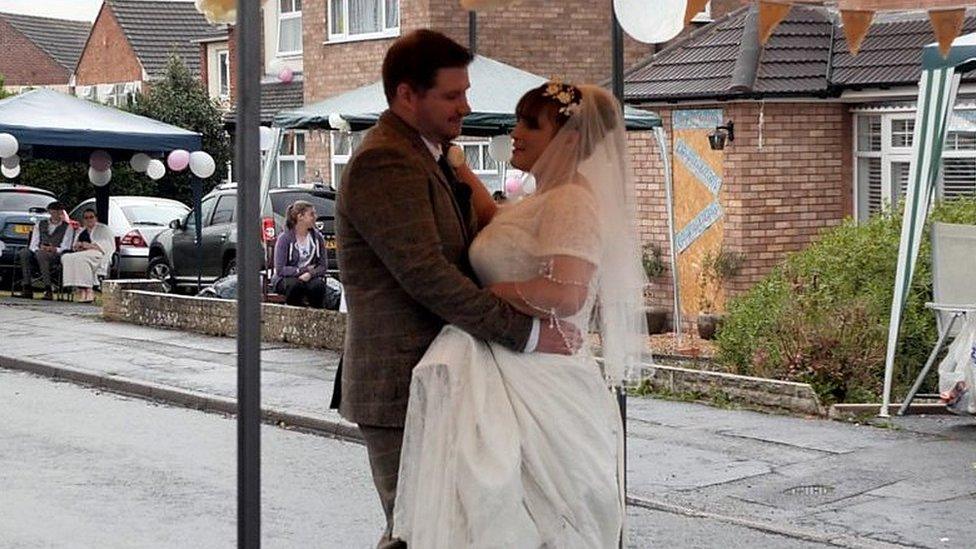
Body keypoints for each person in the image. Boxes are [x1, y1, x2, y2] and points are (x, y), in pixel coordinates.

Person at [334, 30, 580, 549]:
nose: (466, 106)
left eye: (464, 93)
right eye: (452, 95)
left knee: (451, 530)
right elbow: (428, 275)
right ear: (406, 96)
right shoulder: (386, 161)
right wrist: (527, 335)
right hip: (403, 382)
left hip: (451, 374)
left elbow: (475, 244)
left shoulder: (433, 155)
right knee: (417, 533)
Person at [392, 82, 648, 547]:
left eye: (531, 123)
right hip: (507, 367)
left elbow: (566, 293)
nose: (516, 131)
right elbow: (498, 225)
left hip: (542, 378)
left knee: (528, 513)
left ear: (568, 139)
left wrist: (489, 294)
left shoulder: (572, 200)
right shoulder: (541, 199)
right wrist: (459, 166)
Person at [270, 200, 330, 308]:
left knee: (318, 286)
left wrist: (310, 274)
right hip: (285, 278)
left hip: (308, 277)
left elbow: (323, 266)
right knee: (295, 286)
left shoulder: (317, 238)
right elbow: (280, 269)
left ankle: (316, 316)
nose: (315, 217)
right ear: (300, 217)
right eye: (311, 214)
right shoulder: (284, 238)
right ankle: (294, 316)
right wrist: (303, 271)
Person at [18, 200, 73, 300]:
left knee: (41, 255)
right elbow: (33, 243)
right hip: (39, 251)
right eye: (53, 211)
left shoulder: (67, 227)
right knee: (24, 253)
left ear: (61, 212)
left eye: (57, 211)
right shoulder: (40, 224)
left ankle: (48, 288)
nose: (55, 214)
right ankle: (27, 286)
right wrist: (40, 248)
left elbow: (66, 246)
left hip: (55, 255)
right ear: (49, 212)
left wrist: (54, 249)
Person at [61, 208, 115, 303]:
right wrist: (78, 246)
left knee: (81, 259)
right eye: (86, 218)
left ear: (96, 218)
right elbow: (75, 246)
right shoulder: (82, 231)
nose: (89, 219)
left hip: (98, 255)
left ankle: (89, 290)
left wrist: (89, 246)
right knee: (67, 257)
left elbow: (107, 247)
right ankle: (81, 290)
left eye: (91, 217)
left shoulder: (103, 229)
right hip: (82, 253)